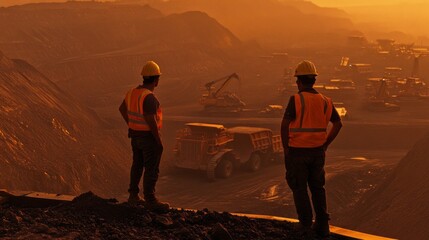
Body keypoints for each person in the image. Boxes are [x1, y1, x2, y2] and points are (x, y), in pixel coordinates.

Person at [281, 60, 342, 237]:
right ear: (314, 80)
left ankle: (305, 224)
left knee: (299, 187)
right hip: (317, 153)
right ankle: (322, 225)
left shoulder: (296, 99)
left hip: (297, 152)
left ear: (298, 81)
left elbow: (284, 126)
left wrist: (286, 148)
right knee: (317, 188)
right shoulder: (325, 101)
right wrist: (325, 144)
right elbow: (338, 124)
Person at [119, 61, 169, 212]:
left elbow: (122, 109)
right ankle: (150, 199)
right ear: (156, 80)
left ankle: (133, 196)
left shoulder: (132, 92)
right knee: (151, 168)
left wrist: (131, 124)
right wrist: (158, 140)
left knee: (137, 165)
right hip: (148, 138)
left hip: (135, 136)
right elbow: (150, 119)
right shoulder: (149, 98)